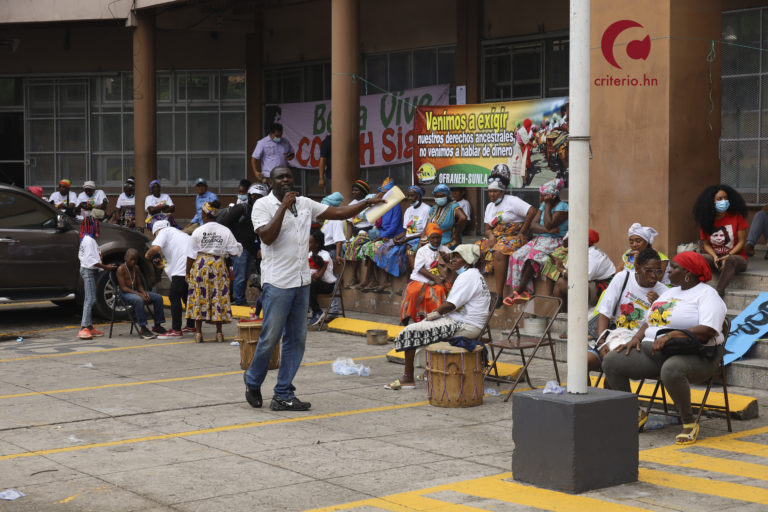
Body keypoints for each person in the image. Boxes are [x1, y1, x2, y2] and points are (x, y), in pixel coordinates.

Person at [245, 166, 383, 412]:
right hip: (277, 282)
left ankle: (283, 394)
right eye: (280, 177)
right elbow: (266, 236)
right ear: (271, 182)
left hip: (301, 282)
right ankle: (253, 381)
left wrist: (367, 203)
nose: (286, 180)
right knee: (270, 338)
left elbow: (339, 212)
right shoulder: (262, 206)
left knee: (296, 340)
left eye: (288, 176)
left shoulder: (305, 203)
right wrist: (284, 207)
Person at [602, 252, 727, 445]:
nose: (668, 271)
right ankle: (635, 413)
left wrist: (670, 335)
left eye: (674, 267)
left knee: (671, 369)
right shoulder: (669, 293)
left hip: (697, 355)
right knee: (612, 361)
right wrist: (635, 338)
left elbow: (708, 330)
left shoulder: (708, 295)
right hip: (656, 350)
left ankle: (689, 422)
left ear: (688, 273)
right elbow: (649, 322)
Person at [387, 244, 490, 390]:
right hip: (467, 324)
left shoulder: (468, 276)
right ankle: (427, 371)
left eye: (458, 257)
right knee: (422, 328)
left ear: (467, 259)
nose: (453, 260)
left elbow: (450, 305)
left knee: (409, 331)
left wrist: (433, 315)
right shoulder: (474, 275)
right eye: (453, 256)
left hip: (464, 326)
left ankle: (408, 378)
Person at [587, 247, 668, 371]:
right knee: (582, 363)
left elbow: (655, 324)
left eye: (658, 271)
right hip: (611, 334)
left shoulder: (664, 292)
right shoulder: (622, 278)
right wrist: (601, 342)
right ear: (637, 268)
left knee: (614, 366)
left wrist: (656, 306)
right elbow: (605, 313)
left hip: (637, 343)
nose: (654, 276)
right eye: (649, 271)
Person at [476, 172, 536, 308]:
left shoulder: (512, 201)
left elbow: (532, 211)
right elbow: (487, 228)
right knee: (473, 250)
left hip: (514, 237)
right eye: (490, 191)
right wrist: (490, 236)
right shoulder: (489, 207)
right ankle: (477, 292)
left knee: (499, 251)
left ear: (502, 191)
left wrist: (522, 232)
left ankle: (499, 294)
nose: (492, 194)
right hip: (496, 237)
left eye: (495, 191)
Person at [186, 202, 243, 343]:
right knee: (218, 296)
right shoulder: (225, 231)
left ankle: (198, 333)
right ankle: (219, 333)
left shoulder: (198, 231)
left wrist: (187, 273)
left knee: (199, 297)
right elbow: (235, 251)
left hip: (201, 265)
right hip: (218, 265)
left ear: (204, 215)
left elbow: (190, 255)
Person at [505, 178, 569, 303]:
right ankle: (522, 291)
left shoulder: (563, 207)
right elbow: (532, 225)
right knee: (516, 255)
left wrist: (548, 205)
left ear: (552, 195)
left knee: (532, 258)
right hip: (541, 239)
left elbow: (549, 223)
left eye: (543, 196)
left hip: (556, 241)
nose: (541, 198)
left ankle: (520, 291)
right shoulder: (543, 205)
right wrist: (547, 230)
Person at [693, 184, 749, 297]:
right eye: (720, 199)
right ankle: (694, 290)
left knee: (731, 260)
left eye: (726, 198)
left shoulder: (737, 217)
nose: (724, 201)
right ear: (711, 202)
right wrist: (714, 256)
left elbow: (742, 242)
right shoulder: (706, 220)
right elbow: (706, 244)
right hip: (717, 259)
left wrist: (728, 256)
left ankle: (718, 293)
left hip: (736, 258)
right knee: (697, 257)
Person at [145, 220, 196, 338]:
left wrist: (147, 255)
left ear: (156, 231)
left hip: (182, 268)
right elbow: (176, 256)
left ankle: (176, 330)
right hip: (189, 266)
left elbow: (156, 248)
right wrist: (162, 266)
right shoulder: (178, 233)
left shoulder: (163, 232)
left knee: (174, 296)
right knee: (185, 296)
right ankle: (190, 326)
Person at [548, 230, 615, 310]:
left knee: (561, 283)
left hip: (603, 289)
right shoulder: (577, 252)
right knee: (562, 281)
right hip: (590, 283)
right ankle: (565, 314)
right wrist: (560, 265)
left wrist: (562, 269)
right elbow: (569, 273)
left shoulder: (593, 254)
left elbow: (581, 278)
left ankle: (564, 314)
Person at [399, 223, 451, 325]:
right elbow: (420, 269)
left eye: (438, 237)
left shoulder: (445, 249)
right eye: (433, 237)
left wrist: (448, 258)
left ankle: (436, 321)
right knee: (412, 291)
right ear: (428, 238)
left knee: (440, 291)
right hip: (421, 278)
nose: (436, 240)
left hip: (439, 280)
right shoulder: (422, 251)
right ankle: (405, 318)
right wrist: (435, 278)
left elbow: (453, 262)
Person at [217, 186, 260, 306]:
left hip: (251, 248)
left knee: (245, 276)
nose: (256, 199)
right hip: (240, 248)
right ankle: (238, 301)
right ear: (249, 196)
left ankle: (241, 299)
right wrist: (231, 242)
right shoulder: (242, 208)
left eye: (259, 197)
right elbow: (224, 223)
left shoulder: (259, 211)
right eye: (254, 196)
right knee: (239, 276)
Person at [77, 214, 117, 340]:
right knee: (90, 299)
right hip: (88, 271)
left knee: (91, 298)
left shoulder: (88, 239)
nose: (99, 229)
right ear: (92, 227)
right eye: (97, 226)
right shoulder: (89, 241)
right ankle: (84, 327)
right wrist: (107, 267)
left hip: (90, 271)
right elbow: (91, 262)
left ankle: (89, 327)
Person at [117, 248, 167, 340]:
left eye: (135, 260)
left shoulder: (136, 268)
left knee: (158, 297)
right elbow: (124, 288)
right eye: (131, 259)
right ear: (125, 258)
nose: (133, 262)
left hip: (136, 291)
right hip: (125, 293)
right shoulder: (121, 269)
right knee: (139, 300)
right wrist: (139, 294)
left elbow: (139, 285)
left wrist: (144, 293)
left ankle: (157, 325)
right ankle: (143, 328)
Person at [343, 180, 375, 288]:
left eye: (356, 190)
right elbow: (349, 224)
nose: (353, 192)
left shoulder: (370, 203)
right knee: (347, 245)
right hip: (357, 232)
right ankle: (353, 276)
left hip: (368, 232)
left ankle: (354, 277)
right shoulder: (351, 205)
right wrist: (348, 238)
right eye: (353, 190)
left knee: (354, 244)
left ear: (363, 192)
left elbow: (374, 222)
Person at [394, 185, 431, 272]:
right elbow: (405, 231)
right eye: (408, 196)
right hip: (408, 238)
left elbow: (425, 232)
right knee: (387, 248)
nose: (409, 198)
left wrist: (408, 239)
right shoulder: (408, 210)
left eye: (412, 195)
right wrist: (397, 237)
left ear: (419, 196)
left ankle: (415, 275)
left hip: (420, 238)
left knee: (409, 250)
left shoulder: (426, 209)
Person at [308, 229, 337, 327]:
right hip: (315, 283)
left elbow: (319, 275)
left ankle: (317, 312)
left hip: (327, 285)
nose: (307, 244)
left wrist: (309, 273)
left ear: (316, 244)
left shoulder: (325, 255)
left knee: (310, 284)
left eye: (310, 242)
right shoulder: (309, 255)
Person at [427, 184, 467, 249]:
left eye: (442, 196)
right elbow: (427, 225)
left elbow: (463, 218)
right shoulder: (433, 208)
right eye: (437, 196)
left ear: (447, 196)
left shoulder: (453, 206)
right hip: (431, 238)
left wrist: (457, 233)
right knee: (412, 251)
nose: (439, 198)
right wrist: (422, 239)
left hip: (447, 239)